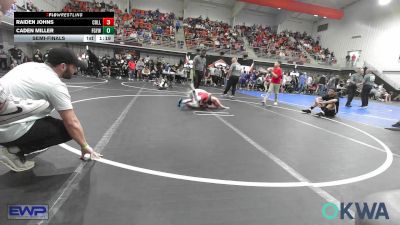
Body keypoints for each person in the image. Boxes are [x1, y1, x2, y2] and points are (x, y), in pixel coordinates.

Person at [0, 48, 102, 172]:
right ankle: (12, 151)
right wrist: (84, 146)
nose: (76, 70)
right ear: (63, 66)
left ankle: (15, 143)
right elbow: (72, 122)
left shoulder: (27, 66)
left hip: (5, 116)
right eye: (74, 67)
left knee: (43, 113)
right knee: (67, 130)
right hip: (7, 128)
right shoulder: (54, 84)